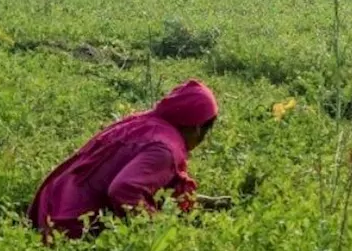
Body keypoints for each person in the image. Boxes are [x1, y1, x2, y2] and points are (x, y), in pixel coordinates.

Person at [27, 80, 231, 242]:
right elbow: (124, 190)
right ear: (198, 128)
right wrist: (157, 233)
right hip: (69, 228)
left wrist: (204, 202)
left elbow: (156, 189)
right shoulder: (166, 149)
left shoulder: (145, 123)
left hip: (50, 204)